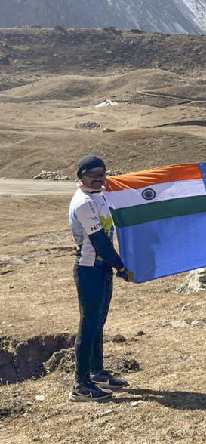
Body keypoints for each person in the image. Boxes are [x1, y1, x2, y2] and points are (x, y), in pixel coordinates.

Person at [68, 155, 132, 402]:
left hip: (101, 268)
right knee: (89, 323)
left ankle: (97, 373)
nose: (98, 180)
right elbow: (100, 241)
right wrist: (121, 267)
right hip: (89, 269)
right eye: (92, 176)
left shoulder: (100, 197)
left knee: (99, 322)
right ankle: (80, 385)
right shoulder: (83, 203)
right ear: (81, 177)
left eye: (102, 175)